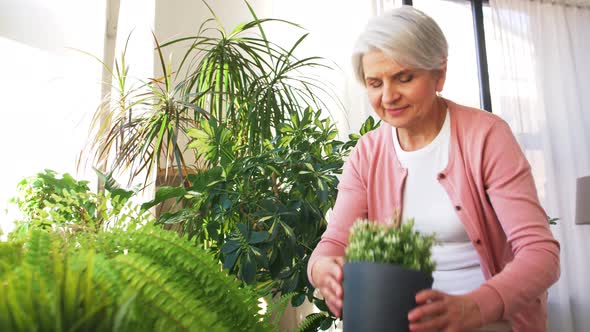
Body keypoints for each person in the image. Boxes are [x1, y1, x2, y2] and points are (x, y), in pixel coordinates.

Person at [307, 6, 560, 332]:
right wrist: (322, 270)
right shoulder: (367, 153)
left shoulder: (486, 137)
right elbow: (332, 244)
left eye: (404, 77)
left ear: (439, 74)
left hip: (487, 320)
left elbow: (541, 255)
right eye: (374, 83)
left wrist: (473, 307)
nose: (388, 96)